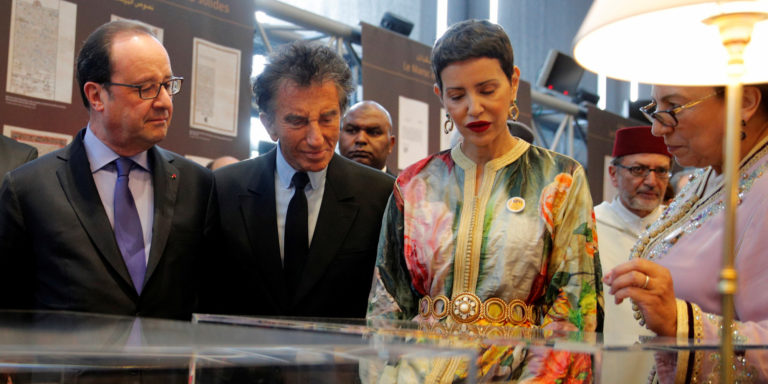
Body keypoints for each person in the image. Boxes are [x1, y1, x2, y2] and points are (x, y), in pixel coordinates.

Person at [367, 19, 602, 382]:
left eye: (487, 89)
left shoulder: (561, 178)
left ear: (513, 83)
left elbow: (574, 306)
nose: (473, 108)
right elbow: (388, 300)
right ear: (440, 96)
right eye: (457, 95)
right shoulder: (414, 183)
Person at [0, 20, 212, 320]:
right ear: (96, 95)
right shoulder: (29, 189)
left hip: (166, 366)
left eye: (167, 85)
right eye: (146, 88)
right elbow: (9, 308)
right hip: (70, 366)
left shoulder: (198, 185)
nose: (164, 102)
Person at [200, 41, 394, 318]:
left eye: (328, 119)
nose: (316, 139)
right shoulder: (225, 188)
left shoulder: (379, 195)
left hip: (339, 359)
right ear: (268, 124)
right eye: (298, 121)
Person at [604, 83, 768, 381]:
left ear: (744, 103)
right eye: (654, 108)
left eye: (673, 108)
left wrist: (679, 321)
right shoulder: (710, 175)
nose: (656, 128)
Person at [594, 125, 671, 383]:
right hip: (605, 368)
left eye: (661, 171)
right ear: (613, 174)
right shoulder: (588, 228)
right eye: (638, 169)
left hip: (668, 367)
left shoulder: (681, 230)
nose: (651, 181)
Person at [339, 100, 396, 173]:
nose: (361, 139)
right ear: (338, 137)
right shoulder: (321, 183)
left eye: (374, 132)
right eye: (352, 131)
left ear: (391, 144)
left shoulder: (402, 184)